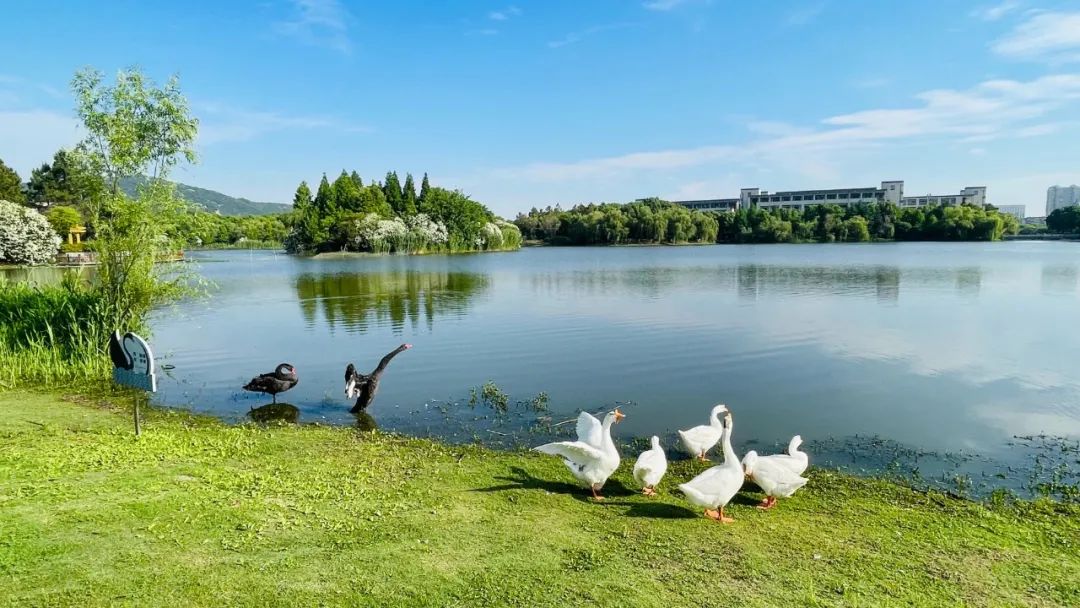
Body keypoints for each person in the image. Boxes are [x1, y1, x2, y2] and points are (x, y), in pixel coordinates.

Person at [344, 344, 411, 413]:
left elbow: (384, 361)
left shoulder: (369, 379)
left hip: (362, 404)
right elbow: (385, 360)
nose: (410, 346)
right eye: (406, 347)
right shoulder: (369, 382)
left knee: (384, 361)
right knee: (351, 368)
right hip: (360, 407)